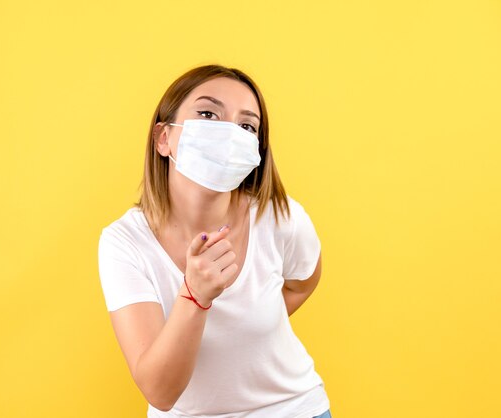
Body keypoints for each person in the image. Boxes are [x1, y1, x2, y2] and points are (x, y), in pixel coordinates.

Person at [98, 64, 332, 418]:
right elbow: (159, 393)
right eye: (208, 114)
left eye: (246, 126)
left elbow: (302, 284)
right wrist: (195, 295)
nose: (229, 135)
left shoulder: (280, 217)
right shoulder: (125, 242)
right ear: (164, 138)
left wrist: (247, 328)